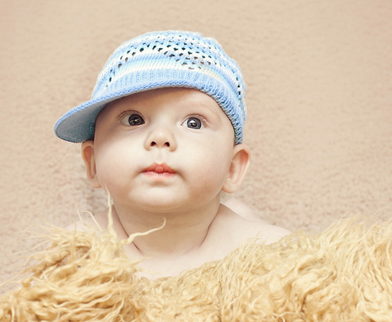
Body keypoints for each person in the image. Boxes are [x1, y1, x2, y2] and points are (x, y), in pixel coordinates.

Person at [54, 30, 289, 278]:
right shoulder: (78, 254)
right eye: (134, 120)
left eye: (193, 123)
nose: (160, 137)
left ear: (232, 168)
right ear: (92, 163)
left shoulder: (264, 252)